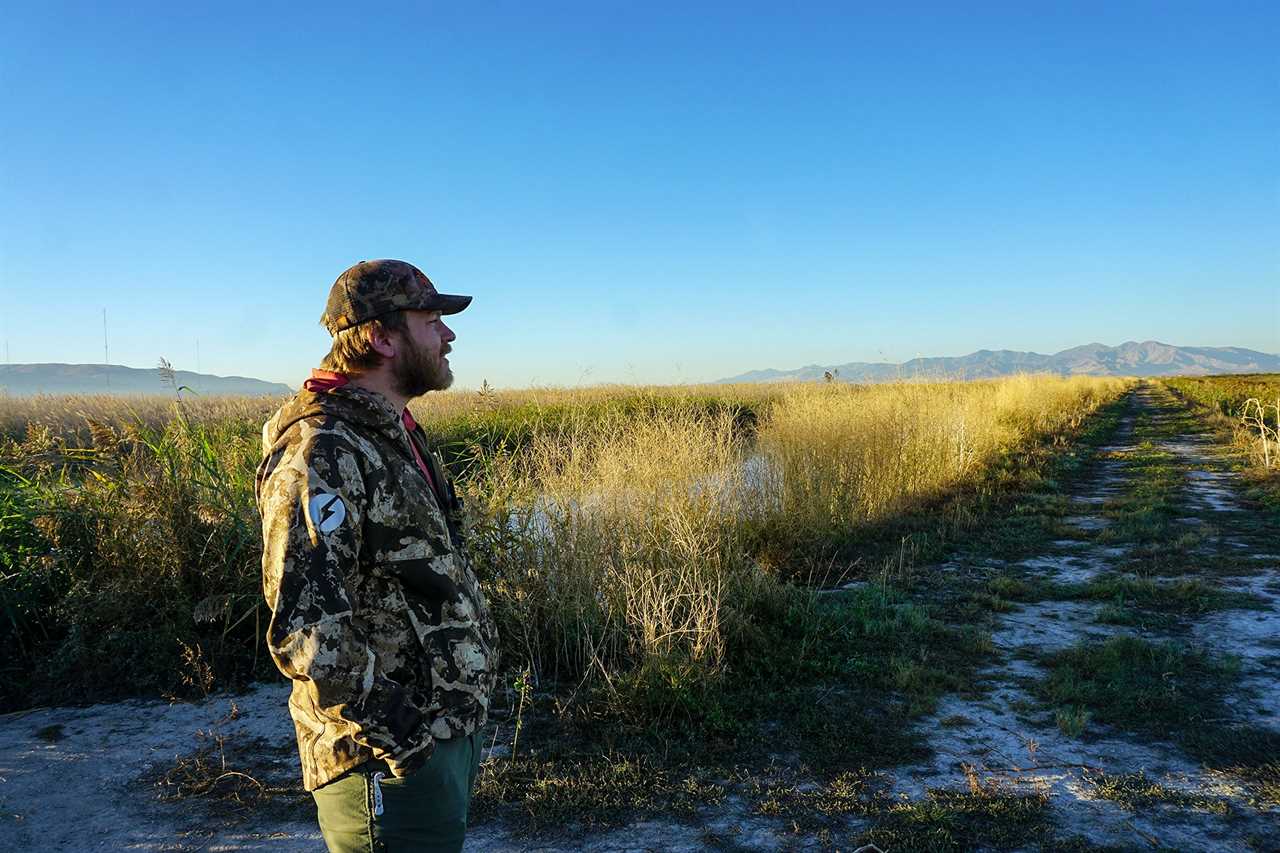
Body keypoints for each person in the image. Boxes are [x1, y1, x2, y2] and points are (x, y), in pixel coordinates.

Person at [255, 259, 499, 853]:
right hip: (382, 756)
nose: (448, 334)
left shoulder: (394, 433)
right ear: (382, 337)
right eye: (432, 320)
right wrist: (407, 743)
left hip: (436, 735)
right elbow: (308, 630)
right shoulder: (324, 448)